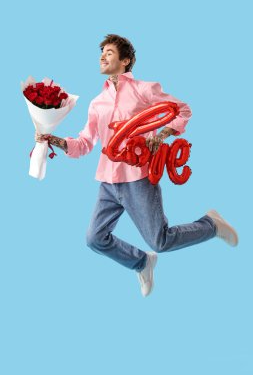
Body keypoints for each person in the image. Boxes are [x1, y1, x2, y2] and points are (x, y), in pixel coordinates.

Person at [35, 34, 239, 297]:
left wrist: (162, 134)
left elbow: (183, 110)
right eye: (101, 52)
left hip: (138, 178)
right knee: (95, 238)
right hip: (108, 182)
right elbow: (85, 143)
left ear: (126, 60)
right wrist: (57, 141)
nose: (102, 56)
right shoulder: (97, 103)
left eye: (109, 52)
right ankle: (141, 262)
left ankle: (211, 224)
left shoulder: (145, 89)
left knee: (160, 241)